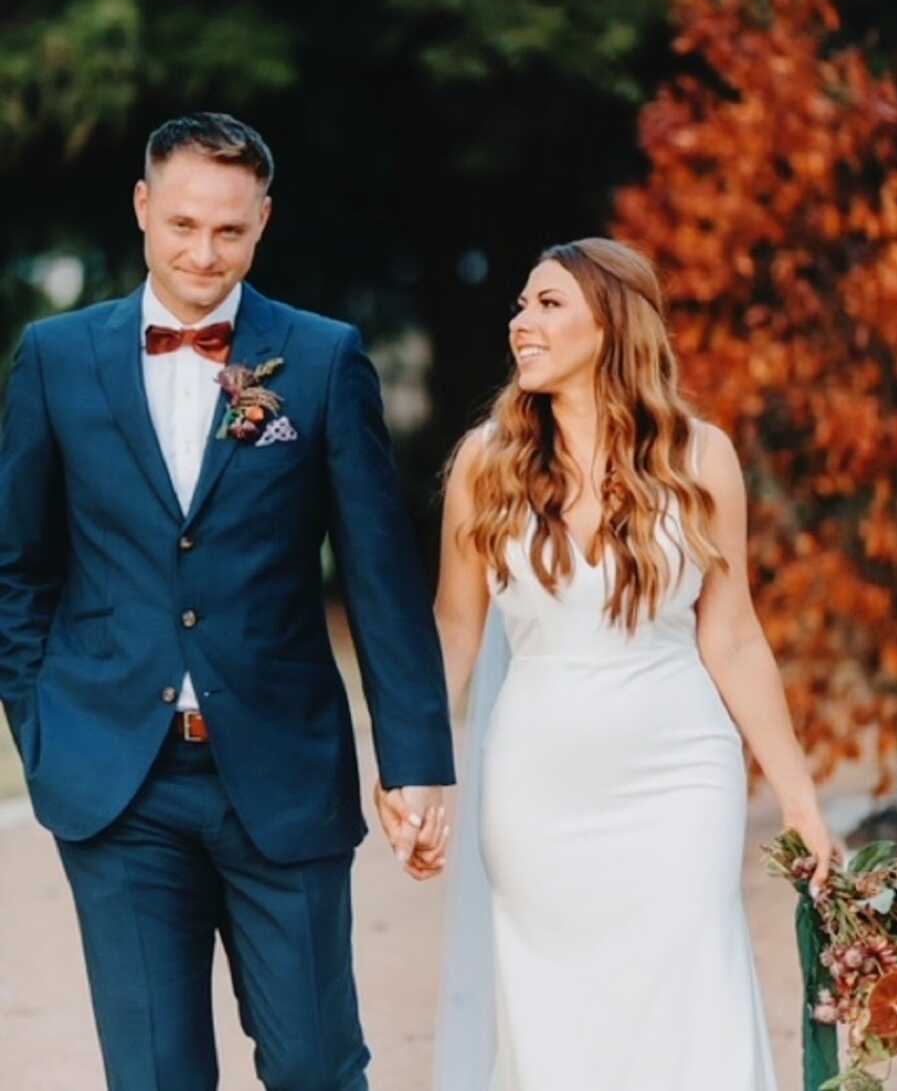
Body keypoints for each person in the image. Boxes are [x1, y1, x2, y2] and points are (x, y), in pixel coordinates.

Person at [0, 111, 454, 1091]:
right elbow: (19, 566)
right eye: (183, 226)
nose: (205, 253)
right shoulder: (55, 358)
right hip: (116, 780)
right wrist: (42, 727)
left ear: (263, 223)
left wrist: (416, 760)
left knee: (317, 1068)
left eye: (230, 231)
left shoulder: (324, 359)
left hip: (282, 776)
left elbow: (380, 575)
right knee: (155, 1076)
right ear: (142, 208)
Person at [431, 237, 832, 1091]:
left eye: (548, 304)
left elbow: (733, 636)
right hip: (537, 786)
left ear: (612, 324)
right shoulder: (484, 463)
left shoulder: (700, 457)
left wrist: (799, 796)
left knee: (691, 998)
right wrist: (416, 773)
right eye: (520, 305)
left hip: (679, 774)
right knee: (555, 1020)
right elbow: (455, 632)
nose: (521, 323)